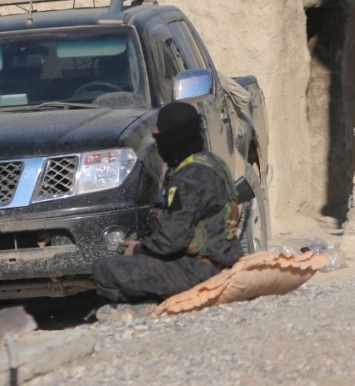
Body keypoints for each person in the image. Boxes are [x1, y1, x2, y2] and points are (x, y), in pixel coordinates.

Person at [92, 102, 243, 307]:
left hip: (198, 270)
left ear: (176, 135)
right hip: (223, 258)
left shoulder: (189, 177)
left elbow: (173, 239)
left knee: (105, 269)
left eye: (161, 130)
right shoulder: (210, 162)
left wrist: (139, 249)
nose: (156, 133)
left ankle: (149, 307)